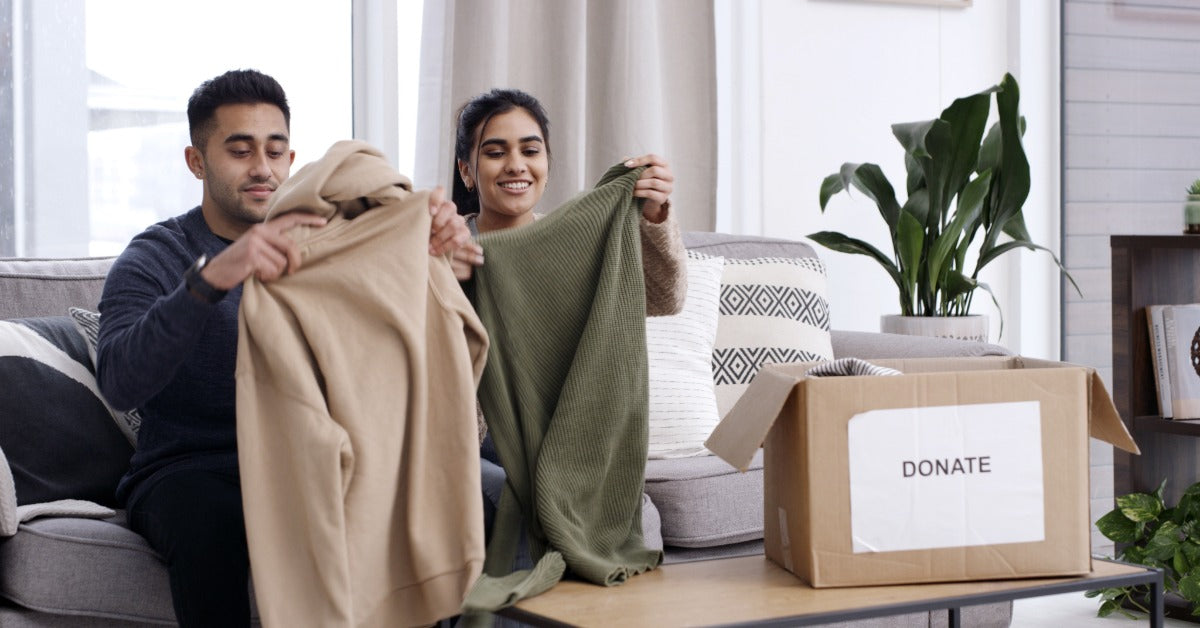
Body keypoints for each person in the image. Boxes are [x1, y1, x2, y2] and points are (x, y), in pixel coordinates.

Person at [95, 69, 480, 627]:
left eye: (275, 151)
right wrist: (213, 277)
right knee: (211, 527)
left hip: (322, 453)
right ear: (196, 161)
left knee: (474, 495)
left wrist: (431, 247)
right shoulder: (158, 254)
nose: (262, 168)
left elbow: (405, 339)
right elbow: (119, 377)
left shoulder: (332, 240)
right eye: (240, 150)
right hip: (198, 467)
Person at [449, 87, 687, 553]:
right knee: (514, 506)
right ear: (466, 170)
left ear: (547, 163)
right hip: (479, 443)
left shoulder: (571, 243)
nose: (516, 165)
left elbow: (664, 298)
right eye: (495, 152)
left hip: (564, 440)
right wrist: (440, 274)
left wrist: (655, 217)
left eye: (530, 150)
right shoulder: (443, 244)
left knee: (637, 519)